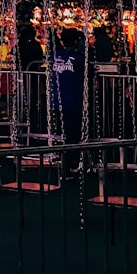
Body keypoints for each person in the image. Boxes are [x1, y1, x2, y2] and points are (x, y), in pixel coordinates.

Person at [50, 27, 86, 173]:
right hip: (73, 101)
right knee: (72, 135)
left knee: (63, 133)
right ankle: (69, 165)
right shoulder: (79, 58)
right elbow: (88, 72)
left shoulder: (55, 56)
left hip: (57, 101)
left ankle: (63, 164)